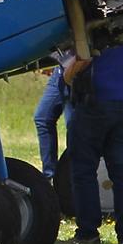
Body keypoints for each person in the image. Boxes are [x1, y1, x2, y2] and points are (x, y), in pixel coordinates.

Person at [62, 39, 123, 244]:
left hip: (93, 102)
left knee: (84, 170)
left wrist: (67, 76)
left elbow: (83, 58)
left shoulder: (94, 22)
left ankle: (88, 232)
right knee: (122, 171)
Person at [33, 47, 75, 179]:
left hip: (78, 68)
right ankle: (50, 175)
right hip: (63, 69)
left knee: (74, 127)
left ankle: (71, 174)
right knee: (43, 118)